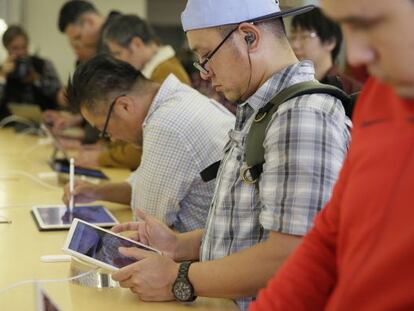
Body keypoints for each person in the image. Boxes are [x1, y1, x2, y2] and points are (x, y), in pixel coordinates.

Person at [109, 1, 351, 309]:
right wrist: (178, 245)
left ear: (249, 36)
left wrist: (177, 278)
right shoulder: (263, 108)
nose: (206, 73)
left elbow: (291, 255)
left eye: (206, 55)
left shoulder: (302, 114)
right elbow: (249, 229)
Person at [250, 0, 414, 310]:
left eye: (370, 24)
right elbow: (328, 240)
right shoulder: (380, 94)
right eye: (347, 27)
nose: (356, 56)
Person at [64, 54, 234, 233]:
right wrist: (96, 192)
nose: (112, 138)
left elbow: (147, 228)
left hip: (211, 256)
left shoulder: (167, 126)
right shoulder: (176, 98)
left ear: (124, 106)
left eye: (105, 130)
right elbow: (144, 187)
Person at [72, 13, 192, 169]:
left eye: (118, 53)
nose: (118, 61)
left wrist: (103, 158)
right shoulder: (156, 71)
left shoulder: (167, 74)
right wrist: (106, 148)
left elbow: (151, 145)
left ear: (136, 44)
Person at [290, 7, 362, 94]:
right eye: (293, 37)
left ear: (330, 42)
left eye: (305, 36)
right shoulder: (290, 85)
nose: (295, 45)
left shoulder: (352, 91)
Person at [0, 25, 61, 119]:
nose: (21, 52)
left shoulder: (43, 65)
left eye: (24, 47)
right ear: (7, 48)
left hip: (45, 123)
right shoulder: (2, 69)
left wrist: (36, 79)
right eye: (15, 48)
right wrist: (2, 76)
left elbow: (59, 94)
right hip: (10, 125)